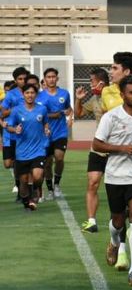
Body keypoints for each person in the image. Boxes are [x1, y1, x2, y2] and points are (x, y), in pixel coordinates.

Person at [93, 75, 132, 285]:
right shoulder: (111, 118)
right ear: (122, 95)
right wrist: (122, 148)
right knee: (117, 220)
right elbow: (97, 144)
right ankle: (114, 242)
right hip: (115, 176)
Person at [5, 82, 49, 211]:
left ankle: (35, 190)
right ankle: (26, 200)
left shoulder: (42, 109)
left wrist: (47, 129)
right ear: (23, 94)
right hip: (22, 152)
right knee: (23, 181)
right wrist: (15, 130)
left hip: (38, 149)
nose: (30, 95)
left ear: (36, 94)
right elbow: (10, 127)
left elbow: (45, 123)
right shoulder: (16, 110)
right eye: (27, 93)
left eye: (32, 93)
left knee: (38, 176)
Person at [76, 68, 109, 233]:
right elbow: (79, 113)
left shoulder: (116, 97)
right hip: (98, 148)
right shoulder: (94, 98)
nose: (90, 84)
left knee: (116, 187)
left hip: (117, 150)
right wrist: (78, 100)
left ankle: (120, 220)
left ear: (101, 82)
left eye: (92, 81)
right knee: (93, 182)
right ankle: (91, 221)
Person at [38, 67, 72, 199]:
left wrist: (69, 114)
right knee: (47, 163)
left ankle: (57, 184)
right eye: (48, 77)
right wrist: (53, 115)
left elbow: (68, 109)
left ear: (57, 78)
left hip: (60, 132)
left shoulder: (64, 93)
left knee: (59, 158)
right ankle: (50, 190)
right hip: (45, 133)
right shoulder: (40, 96)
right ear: (45, 79)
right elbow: (39, 114)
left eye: (53, 77)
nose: (51, 79)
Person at [2, 67, 30, 199]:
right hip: (10, 133)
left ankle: (22, 190)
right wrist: (16, 109)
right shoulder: (11, 94)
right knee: (8, 163)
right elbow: (3, 112)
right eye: (20, 79)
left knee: (21, 161)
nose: (23, 81)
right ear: (15, 80)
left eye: (25, 78)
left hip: (24, 134)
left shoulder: (31, 93)